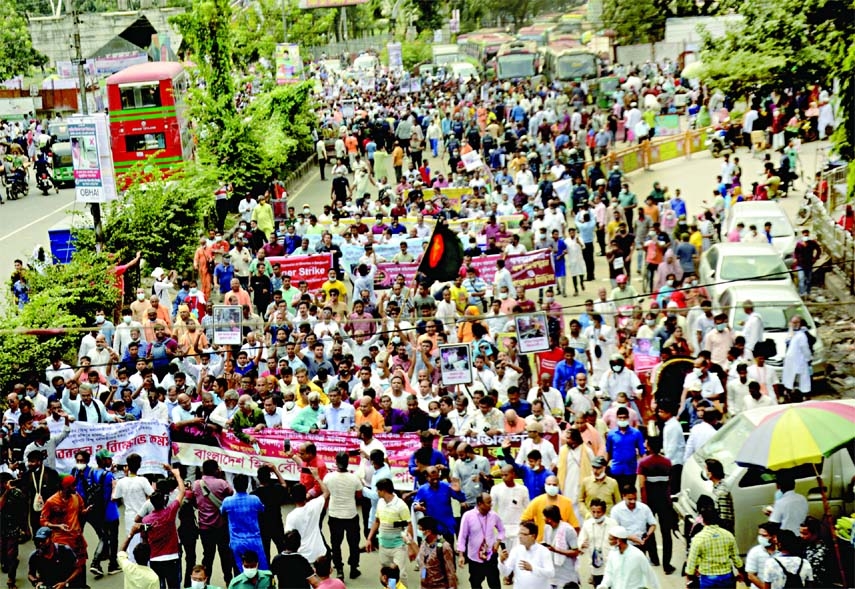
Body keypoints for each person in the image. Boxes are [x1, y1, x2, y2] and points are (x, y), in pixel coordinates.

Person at [140, 464, 186, 589]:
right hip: (173, 552)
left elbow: (139, 523)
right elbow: (182, 490)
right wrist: (176, 474)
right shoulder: (171, 511)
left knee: (159, 584)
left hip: (155, 555)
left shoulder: (147, 516)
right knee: (175, 582)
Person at [192, 459, 235, 586]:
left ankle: (205, 583)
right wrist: (220, 476)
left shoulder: (196, 485)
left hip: (205, 528)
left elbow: (192, 499)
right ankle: (229, 581)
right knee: (225, 556)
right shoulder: (222, 483)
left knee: (208, 557)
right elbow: (231, 494)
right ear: (216, 469)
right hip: (222, 526)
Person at [637, 436, 676, 574]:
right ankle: (667, 564)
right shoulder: (667, 462)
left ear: (649, 447)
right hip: (664, 501)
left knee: (649, 530)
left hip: (650, 502)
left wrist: (643, 502)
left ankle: (654, 558)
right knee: (667, 533)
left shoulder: (643, 463)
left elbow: (641, 485)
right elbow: (670, 483)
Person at [40, 475, 88, 585]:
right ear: (65, 487)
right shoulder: (51, 502)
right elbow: (43, 520)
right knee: (66, 568)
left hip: (77, 539)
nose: (75, 488)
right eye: (73, 486)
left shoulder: (76, 497)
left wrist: (86, 511)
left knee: (81, 566)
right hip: (61, 540)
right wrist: (57, 526)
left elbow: (81, 511)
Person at [365, 477, 412, 586]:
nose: (377, 492)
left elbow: (408, 524)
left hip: (398, 547)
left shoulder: (401, 505)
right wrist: (369, 538)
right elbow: (377, 521)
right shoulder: (380, 503)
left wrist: (410, 546)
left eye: (378, 490)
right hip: (383, 546)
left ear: (384, 490)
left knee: (400, 575)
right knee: (386, 575)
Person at [324, 451, 363, 579]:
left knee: (336, 544)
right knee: (353, 543)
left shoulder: (328, 477)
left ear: (336, 462)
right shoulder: (354, 478)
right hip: (351, 514)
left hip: (335, 514)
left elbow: (327, 492)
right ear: (348, 462)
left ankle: (339, 569)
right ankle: (353, 568)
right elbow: (358, 495)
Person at [685, 505, 743, 589]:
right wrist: (741, 571)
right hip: (726, 577)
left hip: (707, 578)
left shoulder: (698, 538)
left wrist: (689, 578)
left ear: (703, 520)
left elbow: (692, 561)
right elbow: (735, 557)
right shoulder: (728, 535)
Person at [456, 493, 504, 589]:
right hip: (474, 558)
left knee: (495, 584)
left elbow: (502, 530)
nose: (491, 504)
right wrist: (461, 555)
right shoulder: (468, 516)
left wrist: (498, 542)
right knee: (475, 584)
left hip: (491, 556)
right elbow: (462, 536)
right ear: (480, 504)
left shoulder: (494, 515)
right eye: (488, 502)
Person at [220, 474, 267, 572]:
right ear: (247, 485)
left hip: (236, 542)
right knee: (261, 571)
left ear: (234, 485)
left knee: (240, 572)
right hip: (255, 541)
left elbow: (222, 512)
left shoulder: (227, 501)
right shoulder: (255, 499)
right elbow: (262, 509)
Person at [284, 470, 330, 564]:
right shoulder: (314, 505)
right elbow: (326, 492)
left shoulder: (291, 516)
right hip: (319, 551)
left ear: (292, 496)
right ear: (305, 495)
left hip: (302, 555)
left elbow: (289, 537)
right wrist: (317, 477)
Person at [497, 520, 555, 589]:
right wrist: (501, 561)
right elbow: (506, 572)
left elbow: (551, 573)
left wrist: (532, 568)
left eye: (524, 534)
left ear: (533, 536)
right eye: (519, 533)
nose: (520, 536)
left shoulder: (543, 551)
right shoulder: (516, 550)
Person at [610, 486, 658, 566]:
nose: (633, 501)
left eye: (634, 499)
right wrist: (630, 537)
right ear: (623, 497)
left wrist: (648, 534)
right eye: (630, 499)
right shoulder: (616, 510)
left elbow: (653, 524)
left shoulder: (644, 508)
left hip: (641, 544)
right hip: (625, 544)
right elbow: (615, 530)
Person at [409, 516, 457, 589]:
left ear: (428, 531)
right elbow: (422, 562)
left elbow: (450, 572)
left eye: (421, 530)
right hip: (425, 585)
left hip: (440, 586)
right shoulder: (424, 543)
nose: (419, 532)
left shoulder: (444, 547)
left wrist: (452, 587)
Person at [578, 499, 616, 588]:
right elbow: (580, 541)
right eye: (593, 512)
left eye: (598, 512)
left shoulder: (613, 523)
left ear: (604, 511)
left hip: (611, 563)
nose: (595, 515)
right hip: (596, 565)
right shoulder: (587, 524)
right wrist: (582, 545)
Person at [541, 504, 581, 589]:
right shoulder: (546, 528)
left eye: (544, 517)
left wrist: (555, 550)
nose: (543, 518)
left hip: (565, 573)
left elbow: (576, 552)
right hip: (552, 573)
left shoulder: (568, 530)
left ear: (550, 519)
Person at [0, 472, 29, 589]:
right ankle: (7, 563)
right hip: (1, 528)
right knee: (3, 554)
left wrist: (25, 528)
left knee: (12, 555)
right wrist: (6, 492)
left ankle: (11, 579)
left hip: (13, 529)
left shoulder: (18, 494)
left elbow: (23, 512)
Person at [799, 517, 832, 588]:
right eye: (800, 533)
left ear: (815, 534)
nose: (801, 536)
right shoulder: (805, 544)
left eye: (805, 533)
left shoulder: (821, 550)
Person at [745, 522, 778, 589]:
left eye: (764, 535)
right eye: (760, 535)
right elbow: (751, 575)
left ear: (774, 537)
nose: (760, 538)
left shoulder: (781, 552)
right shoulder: (755, 552)